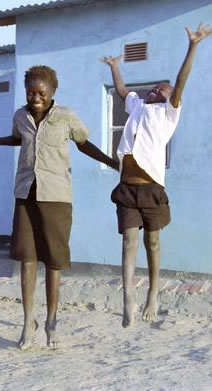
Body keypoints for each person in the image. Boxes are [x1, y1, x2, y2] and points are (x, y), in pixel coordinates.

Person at [0, 65, 118, 350]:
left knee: (54, 261)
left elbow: (83, 144)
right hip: (25, 195)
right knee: (27, 259)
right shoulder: (20, 116)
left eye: (41, 93)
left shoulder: (66, 116)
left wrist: (112, 162)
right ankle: (28, 321)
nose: (35, 98)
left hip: (56, 197)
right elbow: (19, 139)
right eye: (31, 92)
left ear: (52, 92)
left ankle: (51, 321)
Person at [101, 24, 212, 327]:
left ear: (170, 98)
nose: (156, 90)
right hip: (126, 187)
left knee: (153, 244)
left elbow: (181, 80)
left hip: (151, 189)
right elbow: (123, 91)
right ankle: (128, 299)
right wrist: (114, 68)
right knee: (128, 243)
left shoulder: (168, 113)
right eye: (154, 88)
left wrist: (193, 46)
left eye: (161, 90)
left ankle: (152, 293)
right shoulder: (137, 105)